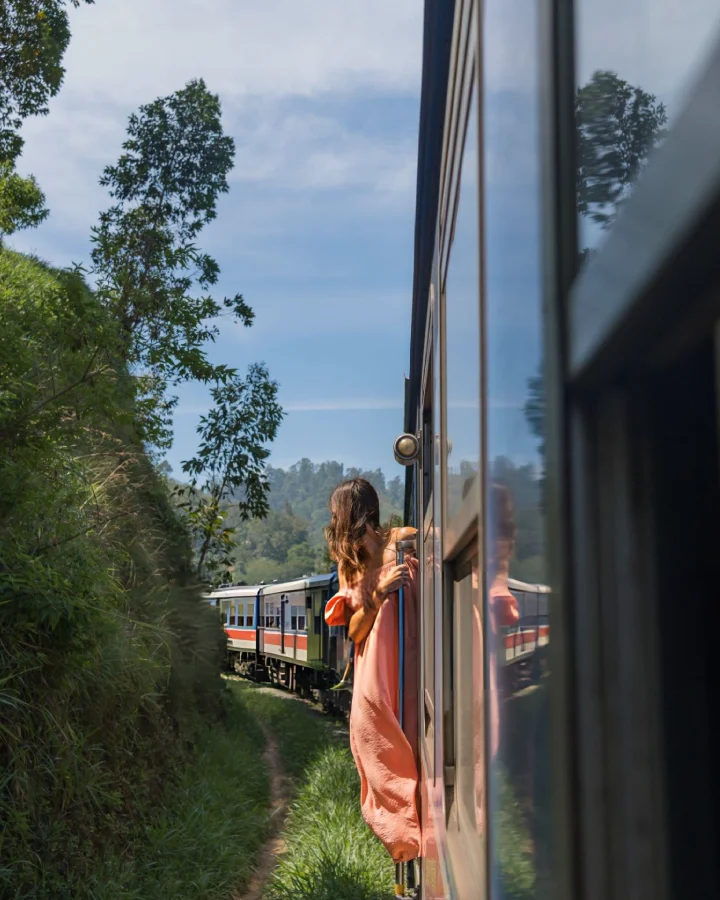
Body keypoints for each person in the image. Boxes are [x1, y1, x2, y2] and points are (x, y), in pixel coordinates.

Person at [323, 477, 420, 864]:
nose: (333, 522)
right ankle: (404, 842)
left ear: (352, 513)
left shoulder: (405, 538)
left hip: (412, 660)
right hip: (374, 673)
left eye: (336, 513)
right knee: (379, 752)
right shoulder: (351, 567)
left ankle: (417, 834)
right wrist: (378, 594)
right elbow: (355, 631)